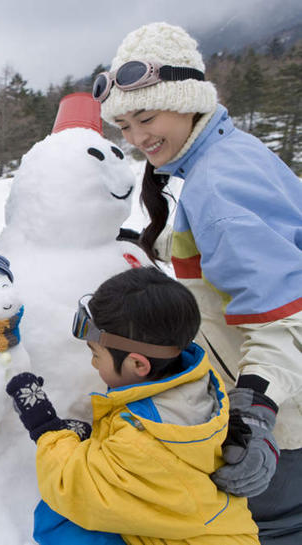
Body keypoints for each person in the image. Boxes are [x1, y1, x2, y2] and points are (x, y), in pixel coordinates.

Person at [95, 21, 302, 544]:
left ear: (187, 102)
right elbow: (225, 253)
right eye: (124, 125)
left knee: (270, 529)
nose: (138, 138)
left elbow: (288, 318)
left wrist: (255, 412)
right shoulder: (225, 159)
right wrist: (152, 242)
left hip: (287, 417)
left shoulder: (220, 186)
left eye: (146, 117)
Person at [6, 266, 259, 545]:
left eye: (95, 354)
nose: (92, 363)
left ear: (138, 364)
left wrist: (47, 428)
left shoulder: (143, 438)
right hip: (205, 529)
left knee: (57, 521)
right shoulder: (196, 380)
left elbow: (74, 489)